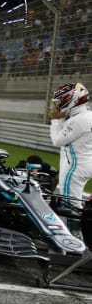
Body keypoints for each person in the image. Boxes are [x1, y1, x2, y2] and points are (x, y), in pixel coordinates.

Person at [49, 82, 92, 211]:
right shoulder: (87, 115)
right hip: (86, 162)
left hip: (75, 168)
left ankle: (73, 230)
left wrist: (55, 120)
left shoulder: (77, 120)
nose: (57, 105)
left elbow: (57, 140)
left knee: (69, 209)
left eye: (61, 100)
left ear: (72, 100)